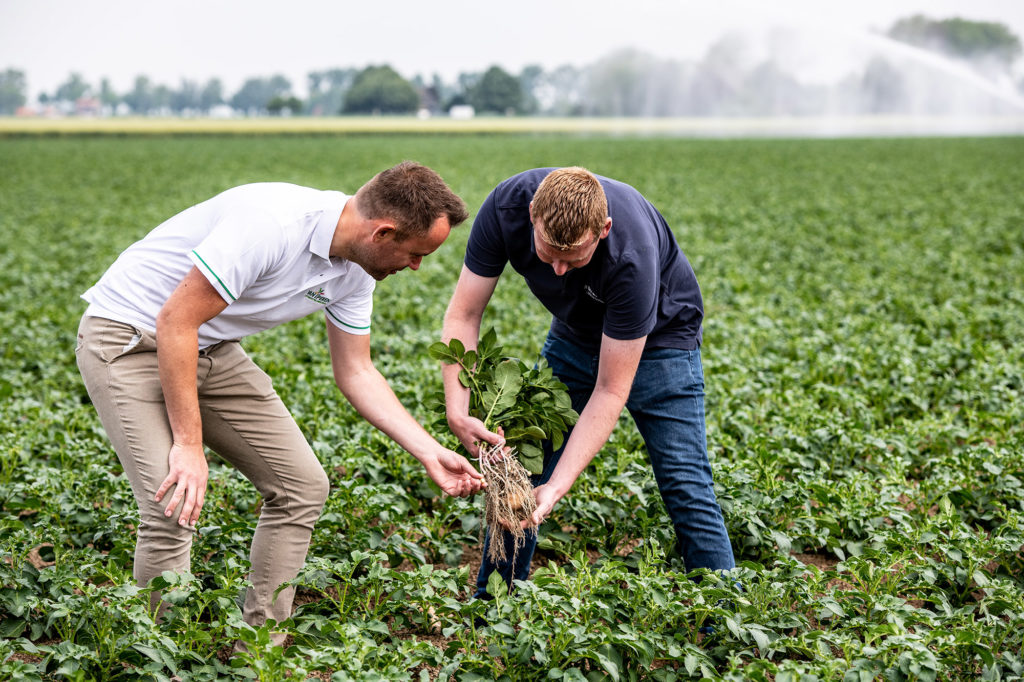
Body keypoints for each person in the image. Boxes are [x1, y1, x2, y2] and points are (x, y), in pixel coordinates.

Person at [75, 161, 484, 644]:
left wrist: (427, 450)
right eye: (416, 254)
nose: (415, 267)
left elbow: (356, 371)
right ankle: (164, 659)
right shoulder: (271, 225)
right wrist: (189, 445)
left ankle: (261, 647)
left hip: (209, 346)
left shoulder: (357, 271)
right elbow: (175, 323)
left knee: (302, 486)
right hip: (127, 339)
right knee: (173, 502)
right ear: (384, 232)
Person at [440, 166, 735, 598]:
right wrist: (457, 410)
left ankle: (725, 618)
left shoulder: (631, 257)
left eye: (574, 258)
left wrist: (556, 488)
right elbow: (463, 315)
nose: (559, 271)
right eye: (547, 254)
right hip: (575, 334)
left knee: (684, 482)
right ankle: (493, 608)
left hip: (663, 340)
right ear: (530, 216)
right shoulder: (505, 208)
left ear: (604, 229)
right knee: (523, 469)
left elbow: (611, 390)